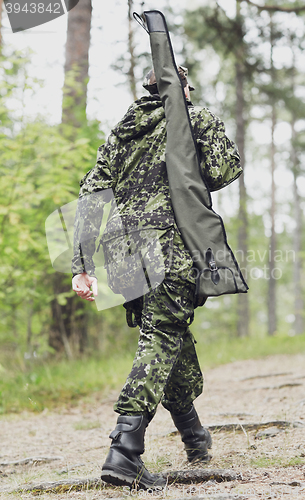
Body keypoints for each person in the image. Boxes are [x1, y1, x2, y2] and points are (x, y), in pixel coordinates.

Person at [72, 66, 242, 489]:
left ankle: (194, 436)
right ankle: (125, 452)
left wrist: (82, 264)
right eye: (188, 89)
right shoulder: (195, 120)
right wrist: (199, 126)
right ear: (180, 88)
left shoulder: (121, 132)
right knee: (162, 338)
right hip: (169, 245)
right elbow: (223, 172)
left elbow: (92, 195)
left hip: (124, 253)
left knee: (170, 339)